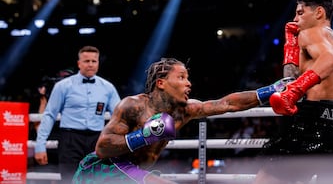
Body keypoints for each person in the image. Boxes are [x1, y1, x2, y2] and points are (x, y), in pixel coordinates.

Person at [72, 57, 294, 184]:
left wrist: (270, 91)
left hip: (134, 173)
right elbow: (102, 148)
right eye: (181, 77)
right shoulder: (133, 105)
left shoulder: (185, 110)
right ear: (161, 83)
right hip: (107, 168)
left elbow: (227, 103)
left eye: (187, 78)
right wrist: (144, 135)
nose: (188, 83)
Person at [252, 0, 333, 184]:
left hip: (312, 124)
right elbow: (289, 79)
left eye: (300, 12)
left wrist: (294, 91)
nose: (295, 18)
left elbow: (329, 60)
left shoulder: (312, 33)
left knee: (266, 181)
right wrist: (291, 46)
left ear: (319, 12)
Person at [34, 46, 121, 184]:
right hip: (70, 140)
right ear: (79, 63)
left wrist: (122, 144)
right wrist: (40, 145)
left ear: (98, 63)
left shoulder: (108, 87)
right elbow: (50, 115)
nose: (91, 64)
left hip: (97, 140)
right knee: (69, 181)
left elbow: (120, 116)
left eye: (94, 61)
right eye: (87, 61)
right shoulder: (63, 86)